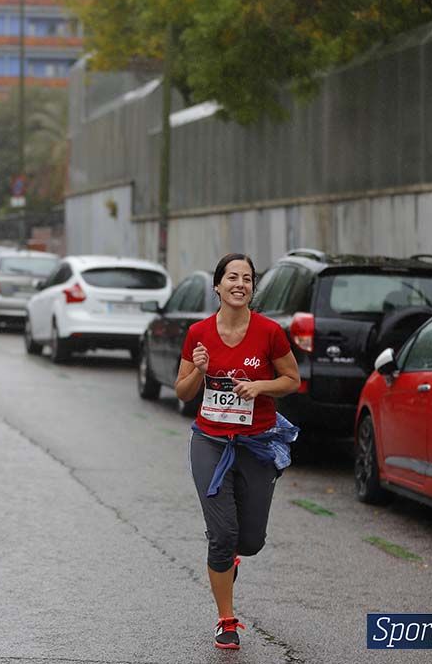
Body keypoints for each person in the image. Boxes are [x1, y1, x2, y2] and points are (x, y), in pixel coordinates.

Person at [174, 253, 300, 651]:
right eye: (232, 277)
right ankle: (226, 619)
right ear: (217, 285)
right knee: (223, 535)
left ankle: (230, 559)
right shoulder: (197, 333)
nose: (239, 284)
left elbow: (292, 379)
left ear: (252, 288)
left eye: (246, 278)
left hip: (256, 445)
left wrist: (260, 387)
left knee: (250, 541)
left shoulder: (269, 332)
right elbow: (183, 392)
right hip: (210, 442)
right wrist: (198, 369)